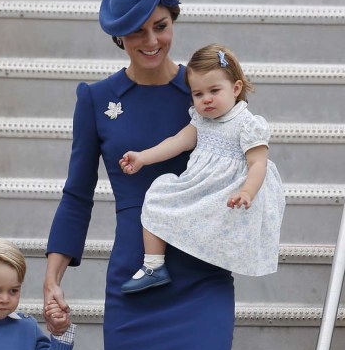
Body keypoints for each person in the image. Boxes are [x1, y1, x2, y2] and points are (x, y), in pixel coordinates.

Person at [44, 0, 237, 350]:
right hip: (136, 280)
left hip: (201, 276)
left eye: (161, 26)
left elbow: (245, 162)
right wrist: (53, 276)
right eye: (137, 30)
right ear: (119, 35)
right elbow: (77, 195)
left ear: (174, 21)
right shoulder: (95, 99)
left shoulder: (208, 92)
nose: (151, 41)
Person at [119, 44, 285, 293]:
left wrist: (247, 192)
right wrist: (143, 157)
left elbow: (258, 163)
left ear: (236, 88)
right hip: (200, 186)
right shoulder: (201, 120)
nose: (206, 99)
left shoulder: (247, 124)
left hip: (229, 192)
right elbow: (177, 142)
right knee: (158, 195)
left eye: (214, 90)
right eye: (198, 94)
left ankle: (207, 255)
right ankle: (154, 266)